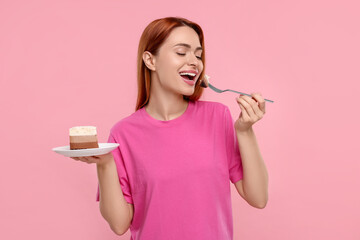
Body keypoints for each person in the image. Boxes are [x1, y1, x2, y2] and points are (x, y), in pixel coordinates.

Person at [71, 16, 269, 239]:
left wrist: (245, 131)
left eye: (198, 54)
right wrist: (105, 164)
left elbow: (258, 197)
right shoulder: (123, 133)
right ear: (150, 60)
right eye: (182, 52)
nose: (194, 61)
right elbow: (119, 225)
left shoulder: (217, 117)